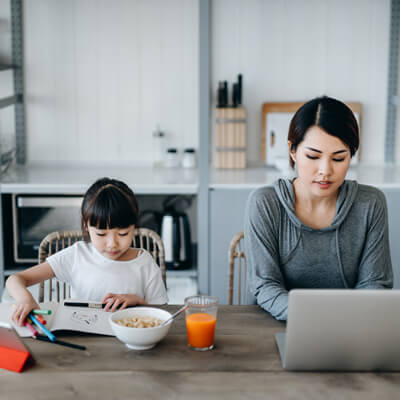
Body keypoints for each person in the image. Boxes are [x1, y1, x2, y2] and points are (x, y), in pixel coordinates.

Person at [244, 96, 393, 321]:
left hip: (350, 330)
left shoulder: (371, 204)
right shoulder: (265, 203)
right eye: (313, 156)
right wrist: (318, 320)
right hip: (278, 327)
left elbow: (374, 284)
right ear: (292, 151)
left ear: (351, 154)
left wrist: (334, 326)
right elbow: (266, 286)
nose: (325, 170)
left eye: (339, 158)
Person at [7, 177, 168, 326]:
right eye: (101, 234)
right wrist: (25, 299)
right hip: (83, 343)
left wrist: (139, 302)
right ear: (86, 225)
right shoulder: (77, 255)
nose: (112, 244)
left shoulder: (144, 262)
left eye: (123, 234)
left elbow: (165, 315)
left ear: (134, 226)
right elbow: (15, 279)